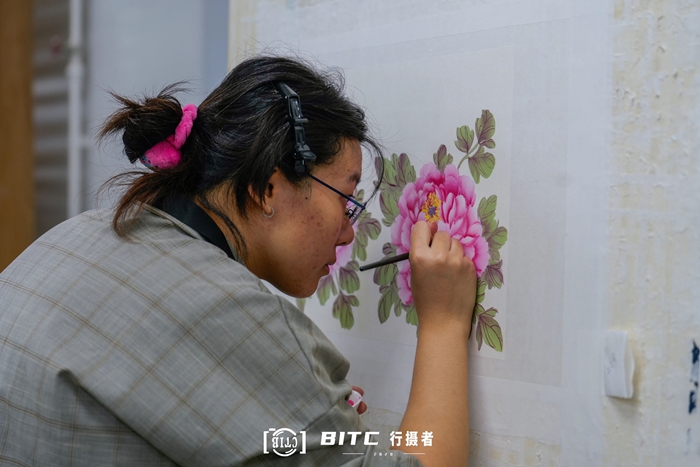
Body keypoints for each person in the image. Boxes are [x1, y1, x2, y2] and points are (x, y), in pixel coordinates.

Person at [0, 56, 477, 466]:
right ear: (267, 188)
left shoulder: (73, 235)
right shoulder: (225, 310)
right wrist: (444, 325)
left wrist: (311, 425)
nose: (349, 231)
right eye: (346, 200)